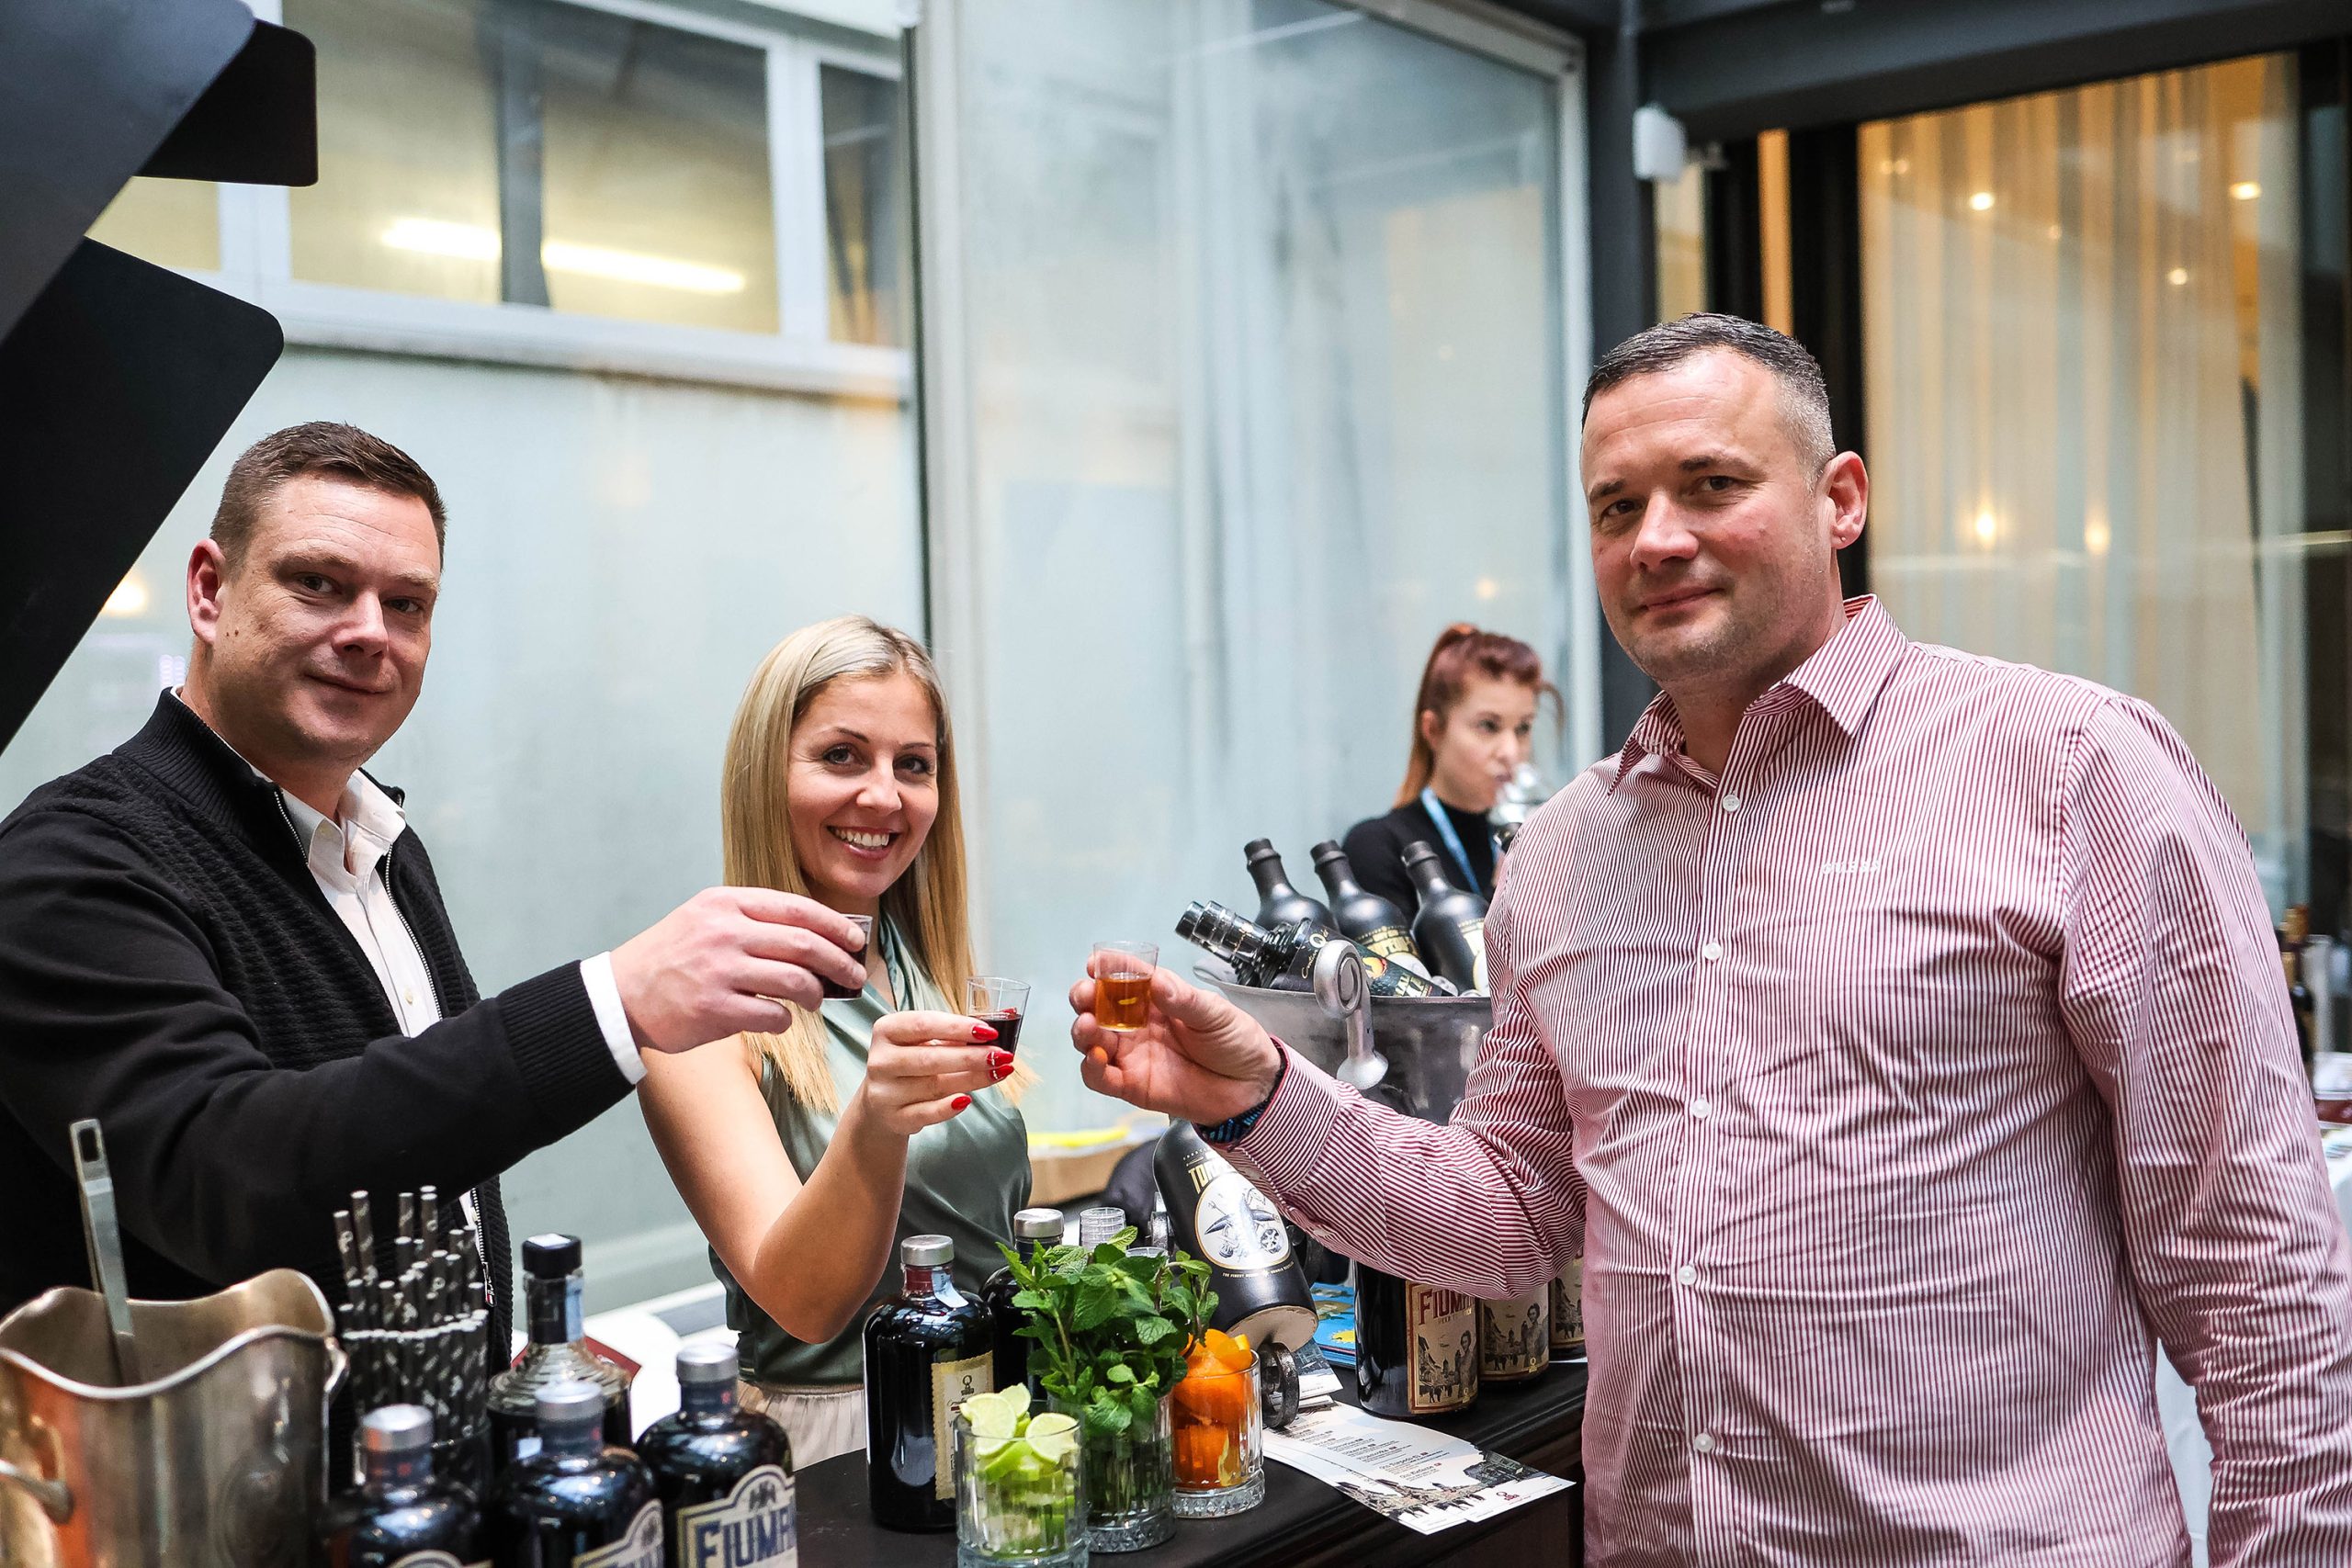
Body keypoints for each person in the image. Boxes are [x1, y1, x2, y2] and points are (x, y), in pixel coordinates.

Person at [1069, 314, 2352, 1562]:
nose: (1657, 539)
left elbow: (2259, 1282)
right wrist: (1257, 1095)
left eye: (1712, 485)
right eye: (1616, 506)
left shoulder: (2071, 770)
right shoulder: (1559, 858)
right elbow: (1510, 1214)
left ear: (1839, 499)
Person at [0, 423, 869, 1365]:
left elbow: (414, 1155)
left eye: (406, 604)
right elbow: (232, 1179)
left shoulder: (381, 840)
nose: (369, 632)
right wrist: (613, 1003)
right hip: (221, 1462)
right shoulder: (71, 861)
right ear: (210, 590)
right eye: (317, 583)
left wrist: (505, 1373)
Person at [638, 616, 1030, 1465]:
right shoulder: (697, 1016)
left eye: (913, 765)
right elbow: (806, 1304)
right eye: (842, 756)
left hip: (1006, 1408)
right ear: (764, 773)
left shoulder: (926, 971)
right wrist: (875, 1124)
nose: (885, 797)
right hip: (844, 1440)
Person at [1340, 625, 1554, 917]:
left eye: (1523, 728)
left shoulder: (1523, 836)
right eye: (1488, 726)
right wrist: (1502, 892)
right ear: (1433, 731)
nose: (1511, 752)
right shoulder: (1379, 846)